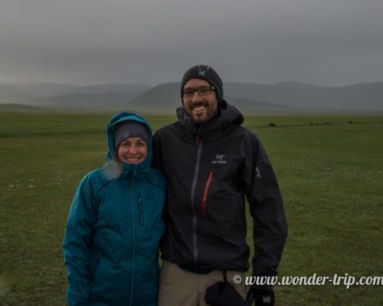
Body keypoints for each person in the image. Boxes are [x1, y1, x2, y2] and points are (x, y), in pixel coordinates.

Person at [153, 65, 288, 306]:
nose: (196, 98)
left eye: (204, 90)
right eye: (188, 92)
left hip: (226, 277)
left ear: (218, 94)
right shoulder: (165, 141)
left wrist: (264, 277)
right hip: (175, 277)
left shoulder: (244, 142)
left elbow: (269, 211)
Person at [63, 112, 165, 306]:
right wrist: (78, 296)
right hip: (102, 296)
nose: (133, 151)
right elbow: (75, 243)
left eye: (140, 143)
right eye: (125, 144)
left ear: (148, 147)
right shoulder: (94, 184)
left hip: (148, 297)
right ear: (115, 146)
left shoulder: (159, 184)